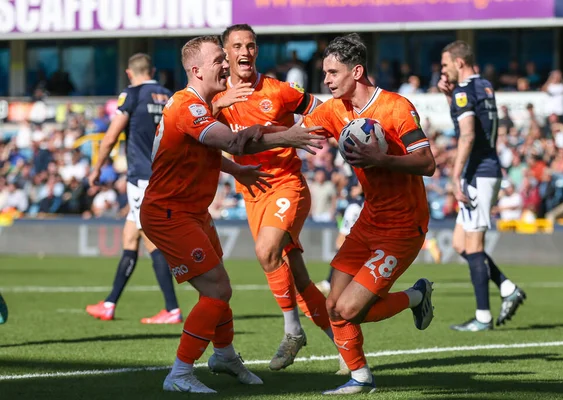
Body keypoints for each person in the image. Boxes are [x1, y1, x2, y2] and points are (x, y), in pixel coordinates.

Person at [139, 35, 324, 394]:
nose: (226, 65)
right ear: (196, 70)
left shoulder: (202, 106)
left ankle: (223, 355)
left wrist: (236, 171)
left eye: (225, 60)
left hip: (192, 212)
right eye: (217, 61)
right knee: (218, 290)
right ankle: (179, 372)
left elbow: (204, 151)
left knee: (220, 288)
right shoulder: (188, 106)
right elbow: (233, 142)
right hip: (169, 213)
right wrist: (287, 136)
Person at [302, 33, 435, 395]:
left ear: (356, 71)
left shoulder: (396, 107)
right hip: (368, 221)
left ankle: (415, 298)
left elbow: (427, 163)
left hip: (404, 226)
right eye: (324, 73)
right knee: (334, 305)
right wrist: (244, 135)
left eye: (333, 72)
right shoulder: (333, 110)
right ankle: (360, 377)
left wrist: (383, 159)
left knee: (348, 309)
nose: (326, 80)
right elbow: (297, 134)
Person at [213, 24, 344, 372]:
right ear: (225, 53)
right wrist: (217, 108)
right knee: (299, 280)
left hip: (287, 184)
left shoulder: (279, 90)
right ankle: (348, 352)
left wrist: (329, 131)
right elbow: (201, 140)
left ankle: (292, 331)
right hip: (252, 192)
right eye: (237, 45)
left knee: (265, 251)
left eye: (251, 45)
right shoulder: (215, 99)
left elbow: (322, 110)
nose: (245, 51)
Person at [85, 53, 182, 324]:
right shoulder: (168, 96)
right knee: (130, 236)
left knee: (149, 237)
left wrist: (97, 168)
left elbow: (112, 135)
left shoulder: (132, 95)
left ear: (130, 73)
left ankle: (172, 309)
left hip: (142, 177)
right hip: (164, 175)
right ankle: (109, 303)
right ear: (153, 70)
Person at [438, 40, 526, 332]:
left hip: (479, 173)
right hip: (485, 170)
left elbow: (467, 135)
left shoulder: (465, 91)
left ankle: (483, 317)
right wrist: (449, 97)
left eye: (445, 64)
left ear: (459, 63)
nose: (443, 69)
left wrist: (454, 175)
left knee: (474, 245)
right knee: (460, 244)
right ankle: (506, 287)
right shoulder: (484, 86)